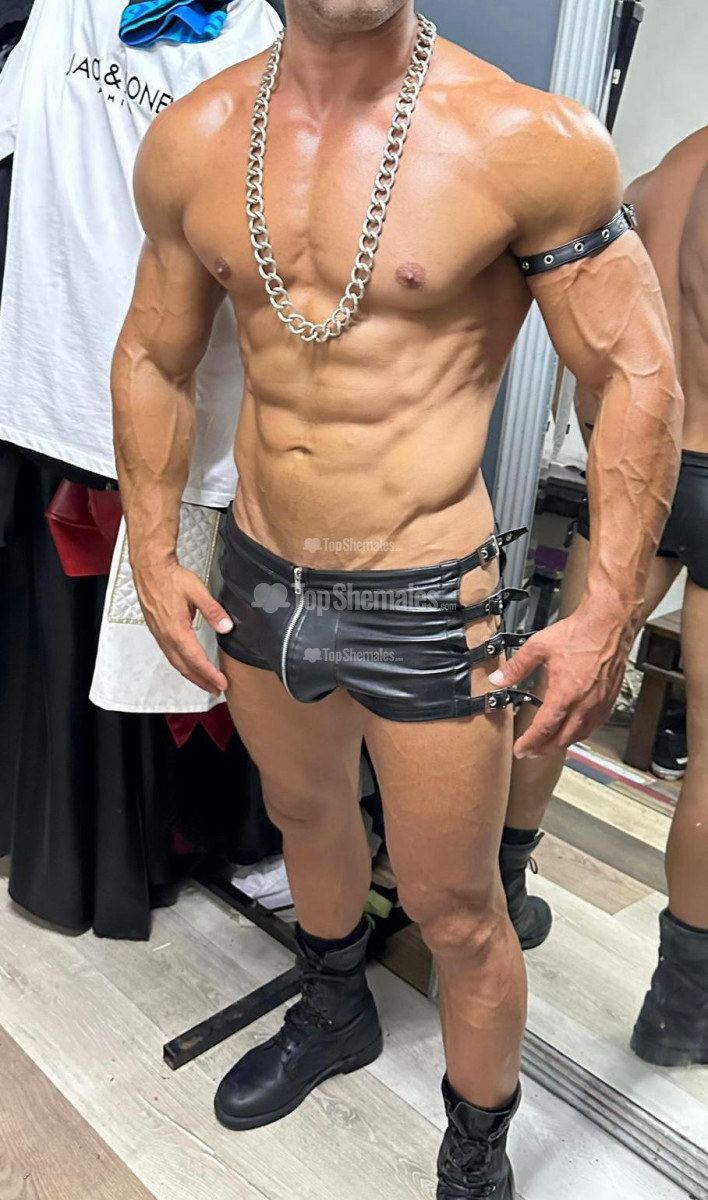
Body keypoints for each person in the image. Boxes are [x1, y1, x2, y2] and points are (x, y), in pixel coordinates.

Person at [111, 4, 683, 1196]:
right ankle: (334, 1012)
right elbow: (155, 355)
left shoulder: (527, 140)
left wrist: (607, 614)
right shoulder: (195, 136)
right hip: (261, 575)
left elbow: (634, 372)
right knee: (304, 814)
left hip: (426, 595)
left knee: (456, 906)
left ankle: (475, 1158)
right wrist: (152, 550)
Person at [501, 125, 708, 1070]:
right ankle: (679, 1014)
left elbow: (597, 355)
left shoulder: (659, 178)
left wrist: (606, 449)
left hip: (641, 459)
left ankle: (499, 893)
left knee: (562, 684)